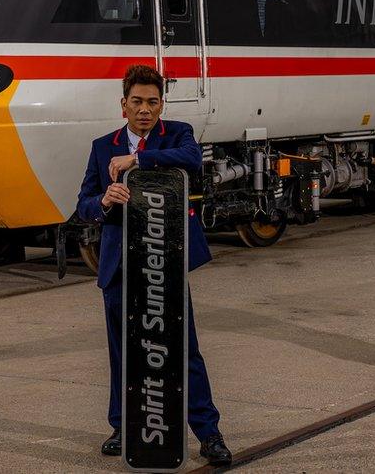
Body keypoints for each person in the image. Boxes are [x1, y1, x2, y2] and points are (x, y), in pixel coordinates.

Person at [76, 65, 232, 466]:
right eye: (137, 102)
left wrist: (136, 159)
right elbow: (83, 205)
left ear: (161, 104)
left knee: (184, 349)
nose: (145, 110)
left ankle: (208, 433)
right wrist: (105, 200)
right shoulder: (100, 146)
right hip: (119, 266)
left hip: (167, 264)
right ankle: (122, 426)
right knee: (121, 351)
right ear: (123, 104)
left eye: (153, 102)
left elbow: (192, 160)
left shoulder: (177, 134)